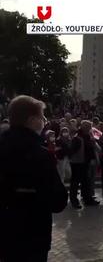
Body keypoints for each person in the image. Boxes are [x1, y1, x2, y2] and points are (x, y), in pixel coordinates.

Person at [0, 95, 68, 262]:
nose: (44, 121)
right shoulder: (40, 155)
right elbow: (58, 201)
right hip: (34, 236)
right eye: (41, 117)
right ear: (31, 120)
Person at [69, 120, 100, 209]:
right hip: (77, 163)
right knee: (75, 183)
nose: (90, 129)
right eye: (89, 127)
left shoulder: (88, 137)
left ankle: (88, 199)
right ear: (85, 127)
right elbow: (71, 151)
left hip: (85, 163)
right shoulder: (77, 137)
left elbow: (91, 149)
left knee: (86, 182)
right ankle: (74, 201)